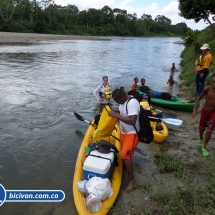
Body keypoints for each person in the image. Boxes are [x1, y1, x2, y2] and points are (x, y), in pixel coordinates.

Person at [108, 89, 140, 191]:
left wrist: (116, 115)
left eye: (117, 100)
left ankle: (132, 180)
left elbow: (132, 120)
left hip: (132, 133)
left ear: (122, 97)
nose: (117, 102)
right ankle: (127, 166)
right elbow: (123, 112)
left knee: (126, 156)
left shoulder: (132, 103)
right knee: (124, 154)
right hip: (123, 133)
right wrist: (115, 111)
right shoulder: (123, 102)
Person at [192, 73, 215, 157]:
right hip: (205, 111)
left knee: (209, 130)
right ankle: (201, 138)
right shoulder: (207, 89)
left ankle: (204, 146)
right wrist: (194, 109)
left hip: (214, 113)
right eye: (213, 81)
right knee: (201, 128)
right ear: (210, 81)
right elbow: (199, 98)